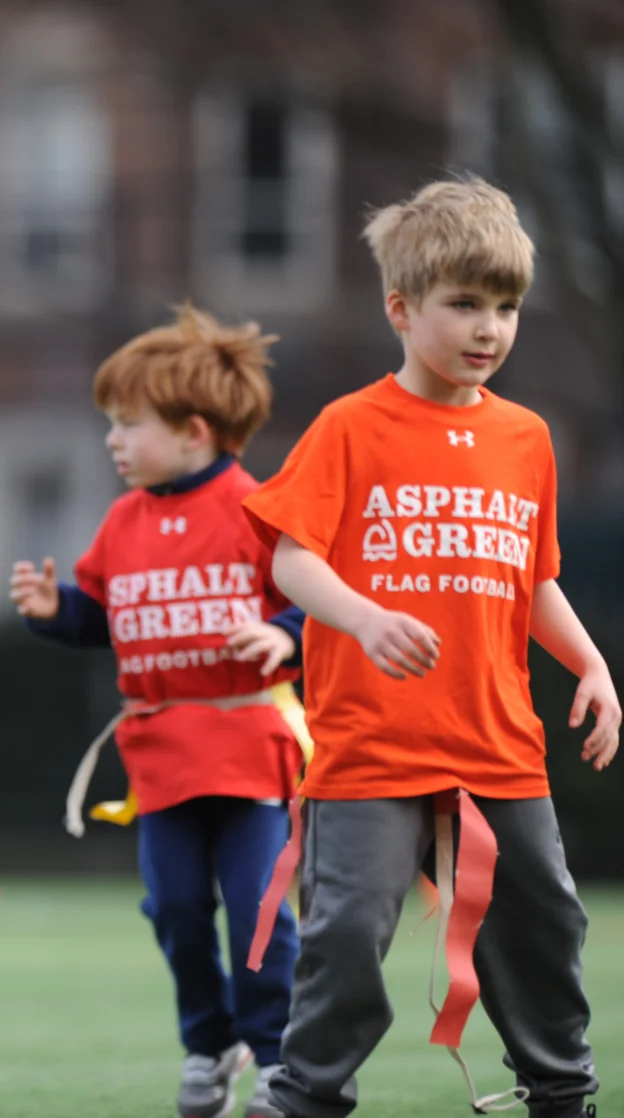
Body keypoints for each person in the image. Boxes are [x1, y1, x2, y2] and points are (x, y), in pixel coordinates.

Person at [241, 177, 618, 1118]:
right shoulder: (349, 426)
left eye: (506, 307)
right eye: (464, 305)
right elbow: (291, 561)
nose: (488, 328)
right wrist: (362, 618)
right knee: (346, 935)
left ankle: (562, 1095)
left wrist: (594, 666)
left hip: (498, 744)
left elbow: (532, 582)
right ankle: (306, 1099)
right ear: (401, 309)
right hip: (371, 747)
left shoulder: (527, 438)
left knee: (542, 931)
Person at [11, 306, 308, 1118]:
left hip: (250, 754)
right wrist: (53, 610)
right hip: (163, 760)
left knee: (256, 914)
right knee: (174, 907)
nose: (113, 439)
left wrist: (284, 635)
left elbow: (320, 611)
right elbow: (105, 617)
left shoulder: (260, 509)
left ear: (194, 430)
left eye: (128, 423)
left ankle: (280, 1057)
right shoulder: (123, 521)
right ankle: (210, 1045)